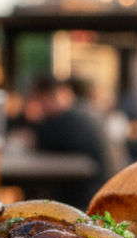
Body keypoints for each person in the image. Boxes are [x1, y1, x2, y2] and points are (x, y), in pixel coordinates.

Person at [25, 77, 110, 209]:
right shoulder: (84, 112)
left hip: (88, 200)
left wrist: (34, 121)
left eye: (38, 99)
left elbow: (42, 143)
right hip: (100, 191)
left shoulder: (69, 121)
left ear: (47, 97)